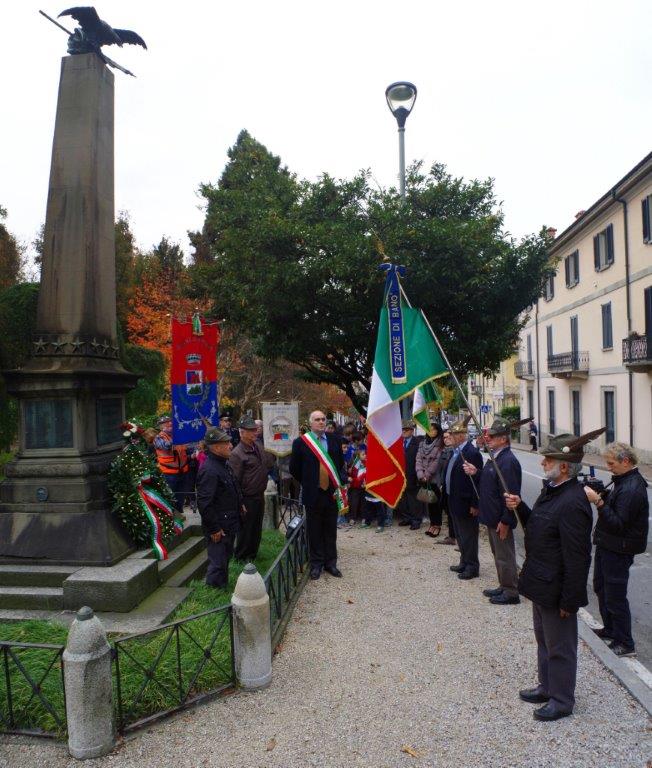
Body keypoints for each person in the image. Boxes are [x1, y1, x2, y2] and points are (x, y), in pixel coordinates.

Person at [504, 429, 600, 721]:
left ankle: (561, 699)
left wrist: (569, 601)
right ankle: (547, 686)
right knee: (544, 640)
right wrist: (521, 507)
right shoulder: (553, 492)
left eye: (548, 460)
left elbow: (578, 558)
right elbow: (536, 529)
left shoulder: (573, 502)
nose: (543, 463)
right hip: (540, 582)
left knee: (560, 646)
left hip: (557, 588)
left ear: (563, 466)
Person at [584, 442, 649, 657]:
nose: (608, 467)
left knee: (615, 595)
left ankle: (625, 643)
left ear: (626, 461)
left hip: (619, 548)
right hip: (608, 544)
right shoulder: (623, 481)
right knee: (601, 587)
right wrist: (602, 491)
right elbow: (615, 506)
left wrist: (598, 502)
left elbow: (618, 523)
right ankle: (611, 629)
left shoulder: (632, 488)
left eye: (611, 463)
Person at [463, 417, 522, 605]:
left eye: (493, 436)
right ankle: (504, 585)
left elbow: (511, 494)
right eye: (489, 435)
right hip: (491, 516)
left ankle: (511, 591)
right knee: (498, 554)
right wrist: (476, 472)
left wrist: (506, 520)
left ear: (504, 439)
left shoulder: (508, 461)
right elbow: (490, 482)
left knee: (505, 556)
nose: (488, 438)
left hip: (500, 519)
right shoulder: (496, 458)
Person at [289, 410, 347, 580]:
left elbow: (340, 464)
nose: (321, 422)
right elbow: (294, 469)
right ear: (310, 423)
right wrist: (309, 482)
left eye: (323, 419)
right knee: (314, 530)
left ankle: (331, 563)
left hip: (331, 494)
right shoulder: (300, 443)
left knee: (330, 529)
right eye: (317, 420)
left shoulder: (335, 440)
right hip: (313, 493)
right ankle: (316, 564)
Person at [196, 428, 244, 588]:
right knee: (217, 564)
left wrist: (240, 504)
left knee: (225, 560)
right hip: (219, 527)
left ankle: (222, 588)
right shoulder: (209, 469)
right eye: (227, 443)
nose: (231, 446)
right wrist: (214, 528)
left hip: (228, 522)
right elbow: (204, 503)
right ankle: (213, 597)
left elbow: (231, 488)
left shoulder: (222, 464)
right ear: (216, 447)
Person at [229, 416, 275, 562]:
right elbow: (235, 481)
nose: (255, 432)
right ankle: (242, 557)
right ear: (241, 433)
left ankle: (252, 555)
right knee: (246, 530)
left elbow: (268, 462)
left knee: (256, 528)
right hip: (247, 498)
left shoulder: (258, 446)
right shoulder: (237, 453)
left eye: (255, 430)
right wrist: (240, 502)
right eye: (251, 430)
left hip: (259, 494)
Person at [445, 416, 483, 579]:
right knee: (460, 535)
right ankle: (464, 561)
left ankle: (472, 566)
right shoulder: (456, 452)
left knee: (469, 536)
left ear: (461, 436)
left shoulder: (471, 453)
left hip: (466, 502)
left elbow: (477, 482)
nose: (449, 438)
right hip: (454, 500)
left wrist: (475, 504)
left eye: (452, 435)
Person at [154, 415, 190, 515]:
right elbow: (165, 446)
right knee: (170, 498)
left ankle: (178, 515)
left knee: (180, 498)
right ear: (161, 426)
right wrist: (178, 439)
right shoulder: (158, 438)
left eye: (171, 421)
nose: (170, 423)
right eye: (166, 422)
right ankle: (170, 518)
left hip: (183, 472)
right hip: (169, 474)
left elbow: (187, 449)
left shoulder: (178, 436)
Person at [415, 422, 444, 537]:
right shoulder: (422, 443)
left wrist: (427, 474)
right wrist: (420, 474)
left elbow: (436, 462)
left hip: (434, 478)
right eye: (429, 429)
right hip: (424, 478)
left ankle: (437, 525)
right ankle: (432, 523)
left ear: (438, 431)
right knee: (429, 503)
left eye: (433, 430)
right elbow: (418, 459)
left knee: (436, 503)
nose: (431, 432)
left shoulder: (441, 444)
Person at [397, 420, 423, 530]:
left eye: (406, 430)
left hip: (413, 475)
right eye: (402, 430)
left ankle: (416, 520)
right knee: (403, 500)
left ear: (412, 431)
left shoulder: (418, 443)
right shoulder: (397, 443)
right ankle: (407, 518)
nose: (403, 432)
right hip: (400, 476)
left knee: (414, 501)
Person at [435, 429, 456, 546]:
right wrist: (440, 484)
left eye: (448, 437)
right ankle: (452, 536)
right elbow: (439, 470)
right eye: (444, 437)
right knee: (448, 512)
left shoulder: (457, 452)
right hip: (444, 487)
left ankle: (456, 537)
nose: (446, 439)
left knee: (455, 514)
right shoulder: (443, 451)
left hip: (454, 489)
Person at [347, 447, 367, 525]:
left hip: (364, 487)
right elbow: (352, 476)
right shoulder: (354, 466)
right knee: (354, 503)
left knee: (364, 503)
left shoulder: (367, 463)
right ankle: (352, 518)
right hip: (355, 487)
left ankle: (364, 518)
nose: (365, 455)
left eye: (365, 454)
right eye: (363, 454)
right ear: (358, 456)